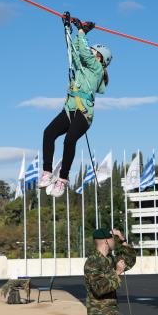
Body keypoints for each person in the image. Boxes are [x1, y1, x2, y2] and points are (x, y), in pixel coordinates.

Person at [39, 15, 112, 197]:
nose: (91, 52)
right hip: (70, 109)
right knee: (48, 133)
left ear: (100, 59)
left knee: (69, 140)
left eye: (94, 52)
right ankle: (47, 172)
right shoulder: (81, 68)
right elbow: (74, 50)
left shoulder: (96, 70)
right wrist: (68, 30)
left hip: (83, 114)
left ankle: (62, 180)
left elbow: (85, 53)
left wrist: (82, 31)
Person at [84, 228, 136, 315]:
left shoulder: (109, 259)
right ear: (106, 241)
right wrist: (117, 272)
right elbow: (99, 289)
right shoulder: (93, 262)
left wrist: (122, 239)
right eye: (112, 238)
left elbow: (129, 260)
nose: (114, 241)